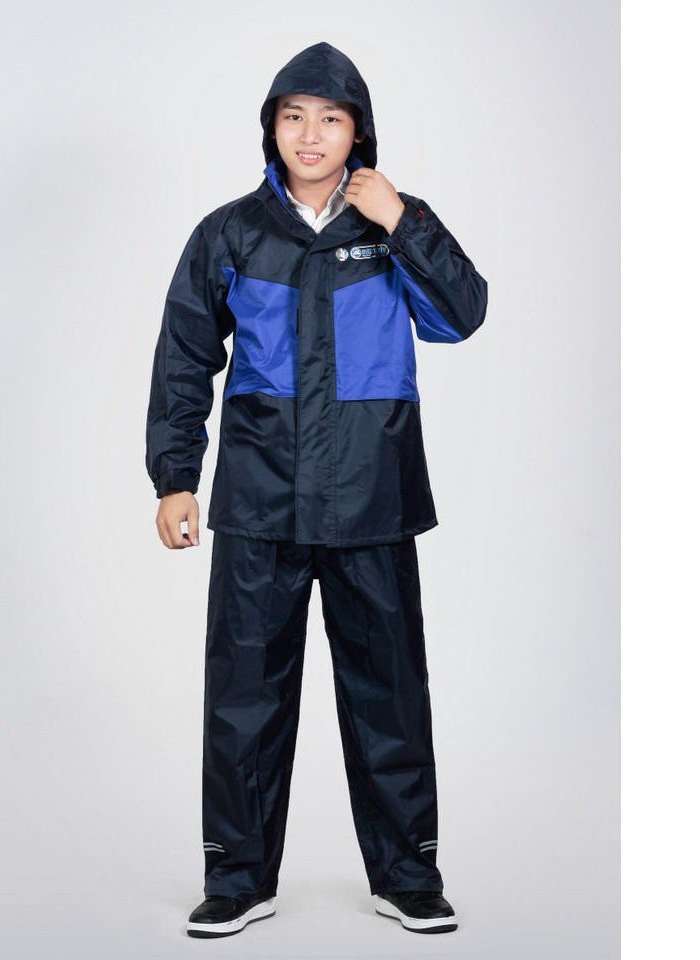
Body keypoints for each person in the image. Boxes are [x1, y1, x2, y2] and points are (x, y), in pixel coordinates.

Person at [145, 41, 488, 938]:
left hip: (374, 496)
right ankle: (239, 879)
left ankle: (407, 876)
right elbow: (185, 356)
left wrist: (402, 218)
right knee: (244, 697)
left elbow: (462, 316)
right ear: (270, 127)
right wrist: (175, 477)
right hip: (260, 501)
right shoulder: (231, 233)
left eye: (330, 118)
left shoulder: (392, 224)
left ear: (357, 133)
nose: (310, 134)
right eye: (293, 116)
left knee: (390, 694)